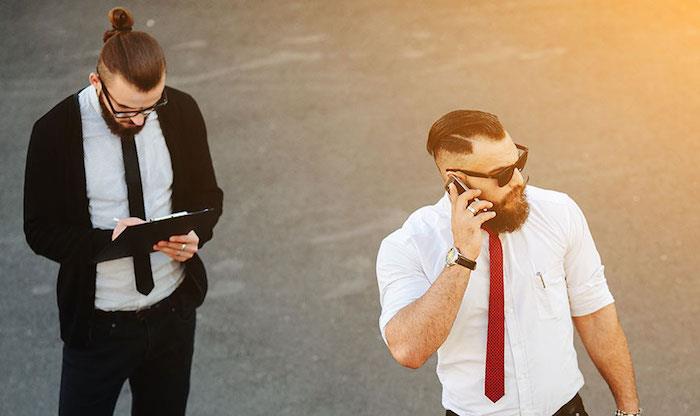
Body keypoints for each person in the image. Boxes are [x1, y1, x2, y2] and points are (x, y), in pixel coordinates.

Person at [23, 7, 223, 415]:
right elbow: (39, 230)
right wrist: (107, 242)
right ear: (97, 82)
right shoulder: (55, 132)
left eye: (151, 106)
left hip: (172, 315)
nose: (139, 119)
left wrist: (196, 235)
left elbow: (209, 197)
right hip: (100, 327)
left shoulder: (180, 111)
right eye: (127, 110)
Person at [375, 110, 641, 415]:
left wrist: (629, 409)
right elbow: (409, 350)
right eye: (502, 174)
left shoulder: (559, 213)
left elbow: (594, 314)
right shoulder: (409, 244)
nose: (518, 180)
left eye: (518, 163)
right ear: (457, 181)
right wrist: (462, 257)